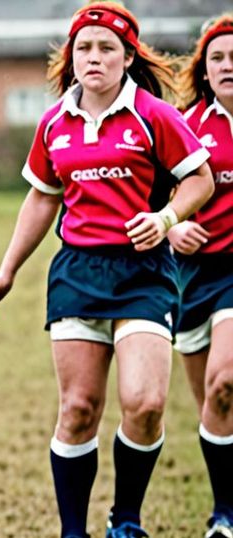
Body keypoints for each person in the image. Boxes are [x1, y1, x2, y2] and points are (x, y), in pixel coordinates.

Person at [0, 2, 214, 537]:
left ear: (127, 57)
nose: (94, 57)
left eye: (107, 48)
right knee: (79, 408)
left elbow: (201, 180)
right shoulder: (55, 121)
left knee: (145, 404)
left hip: (144, 272)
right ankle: (73, 531)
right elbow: (40, 199)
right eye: (84, 47)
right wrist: (6, 271)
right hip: (77, 273)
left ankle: (125, 520)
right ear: (71, 57)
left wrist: (166, 216)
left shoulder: (155, 116)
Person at [171, 13, 233, 538]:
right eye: (217, 57)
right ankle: (225, 505)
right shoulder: (185, 123)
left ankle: (226, 515)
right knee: (212, 404)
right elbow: (149, 196)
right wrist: (172, 228)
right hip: (190, 275)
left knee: (225, 379)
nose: (228, 65)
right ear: (204, 69)